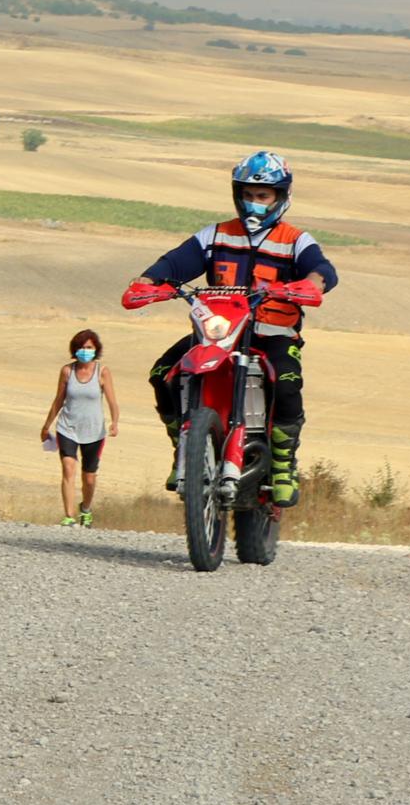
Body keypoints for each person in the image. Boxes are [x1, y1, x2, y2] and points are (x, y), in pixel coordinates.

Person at [129, 151, 338, 509]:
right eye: (248, 195)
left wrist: (313, 283)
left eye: (263, 196)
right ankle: (185, 449)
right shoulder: (216, 235)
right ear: (237, 195)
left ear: (280, 197)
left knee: (287, 382)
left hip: (272, 332)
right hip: (218, 332)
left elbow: (322, 269)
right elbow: (177, 261)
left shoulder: (294, 239)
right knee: (163, 372)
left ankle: (283, 465)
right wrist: (148, 281)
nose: (254, 203)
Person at [34, 327, 120, 526]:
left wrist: (114, 423)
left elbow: (112, 402)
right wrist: (46, 426)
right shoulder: (67, 371)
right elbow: (58, 400)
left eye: (89, 347)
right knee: (68, 468)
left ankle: (86, 509)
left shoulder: (102, 372)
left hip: (94, 431)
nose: (85, 350)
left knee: (89, 478)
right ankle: (69, 516)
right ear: (74, 349)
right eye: (81, 347)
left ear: (95, 349)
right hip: (67, 428)